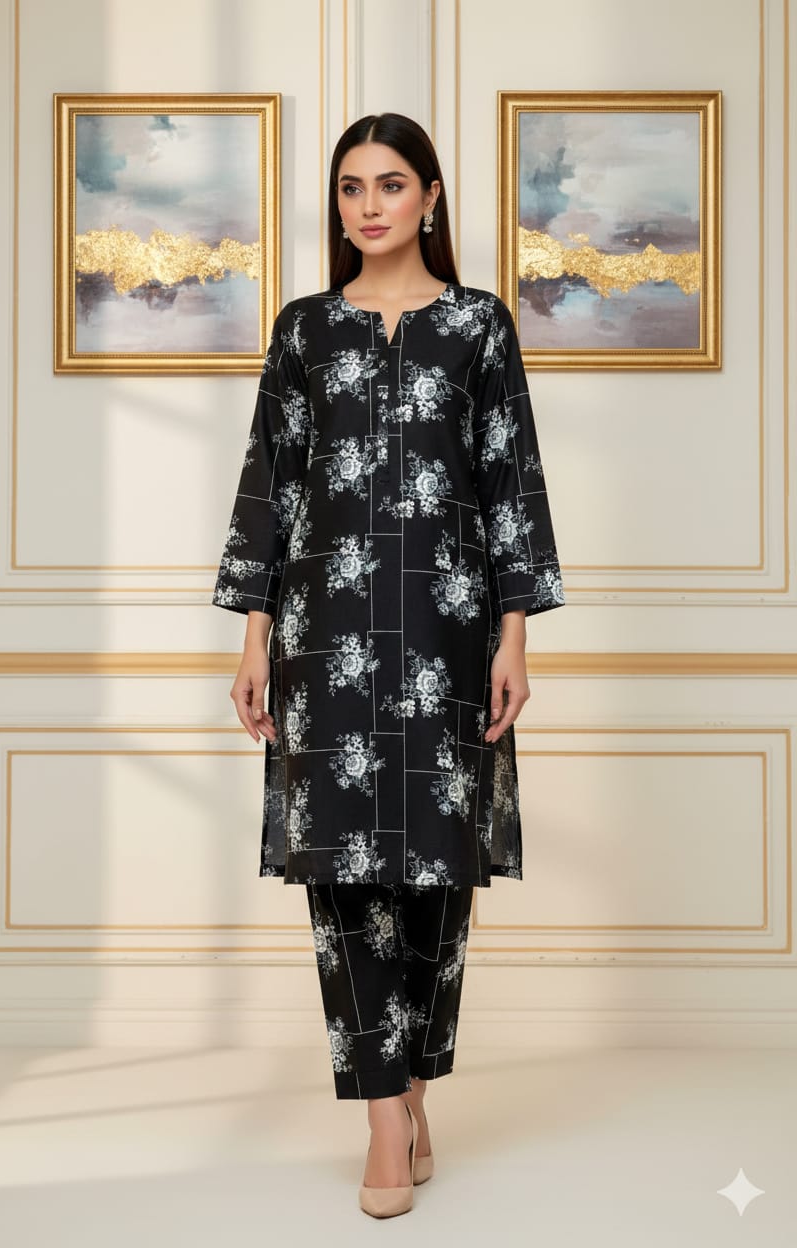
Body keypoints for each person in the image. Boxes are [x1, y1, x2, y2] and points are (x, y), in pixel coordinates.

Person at [212, 111, 565, 1217]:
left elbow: (511, 483)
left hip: (450, 636)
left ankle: (413, 1086)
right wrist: (254, 637)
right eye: (351, 187)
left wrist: (515, 638)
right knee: (345, 872)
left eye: (391, 184)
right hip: (323, 638)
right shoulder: (305, 330)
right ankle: (379, 1117)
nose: (369, 206)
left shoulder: (478, 326)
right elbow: (269, 483)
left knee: (437, 874)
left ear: (431, 196)